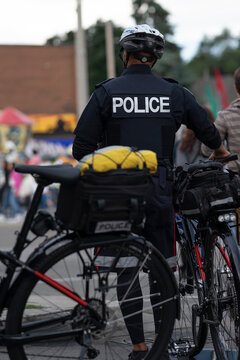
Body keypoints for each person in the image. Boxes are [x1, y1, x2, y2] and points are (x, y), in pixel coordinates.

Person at [72, 24, 230, 360]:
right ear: (154, 60)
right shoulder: (175, 93)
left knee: (126, 267)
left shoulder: (105, 92)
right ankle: (163, 344)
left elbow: (80, 147)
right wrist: (218, 153)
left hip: (116, 189)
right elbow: (207, 130)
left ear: (125, 55)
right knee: (161, 268)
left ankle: (140, 348)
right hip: (159, 186)